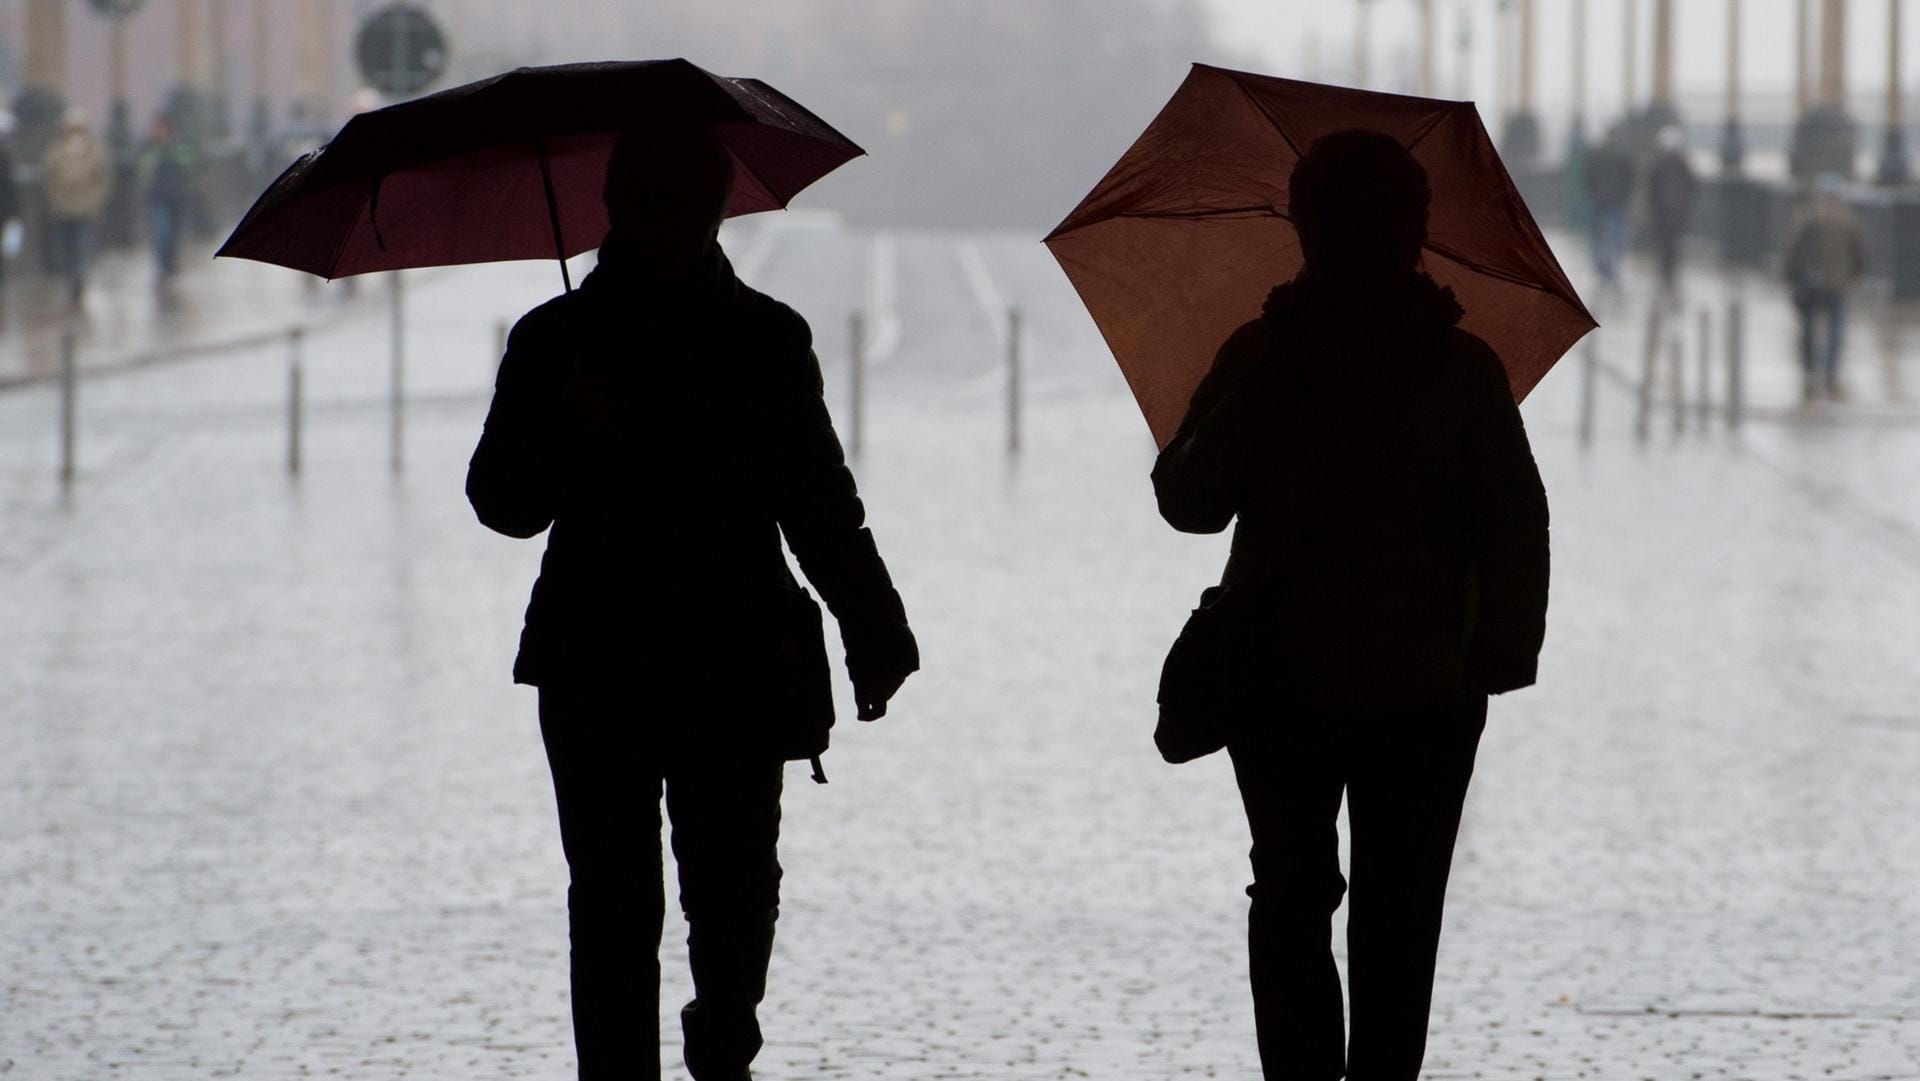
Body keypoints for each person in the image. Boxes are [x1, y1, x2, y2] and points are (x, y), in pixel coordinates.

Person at [466, 127, 919, 1081]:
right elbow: (506, 501)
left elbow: (818, 502)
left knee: (708, 893)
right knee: (654, 896)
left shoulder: (751, 336)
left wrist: (876, 624)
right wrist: (563, 424)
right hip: (674, 658)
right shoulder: (571, 343)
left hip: (653, 660)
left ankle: (719, 1049)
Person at [1151, 129, 1549, 1081]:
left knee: (1288, 896)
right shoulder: (1464, 370)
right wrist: (1498, 650)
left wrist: (1261, 386)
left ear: (1300, 225)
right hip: (1430, 688)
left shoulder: (1262, 352)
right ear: (1418, 230)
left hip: (1278, 676)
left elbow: (1188, 502)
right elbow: (1516, 525)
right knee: (1400, 916)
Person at [1783, 175, 1865, 402]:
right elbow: (1794, 253)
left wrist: (1855, 277)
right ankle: (1813, 374)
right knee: (1810, 334)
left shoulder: (1847, 223)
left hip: (1836, 285)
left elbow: (1858, 254)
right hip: (1814, 286)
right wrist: (1792, 278)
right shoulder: (1809, 223)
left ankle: (1828, 375)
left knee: (1835, 335)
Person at [41, 108, 113, 307]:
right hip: (62, 208)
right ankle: (70, 280)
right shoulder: (56, 149)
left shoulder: (94, 149)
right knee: (65, 249)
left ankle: (79, 281)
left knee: (82, 246)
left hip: (85, 208)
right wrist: (54, 199)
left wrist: (95, 200)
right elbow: (49, 176)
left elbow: (103, 177)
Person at [140, 114, 200, 300]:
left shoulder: (179, 146)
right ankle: (163, 268)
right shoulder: (150, 148)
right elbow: (142, 167)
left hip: (177, 197)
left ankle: (171, 265)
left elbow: (193, 161)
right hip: (158, 198)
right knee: (161, 233)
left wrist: (171, 152)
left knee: (174, 234)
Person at [1647, 124, 1697, 297]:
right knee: (1674, 242)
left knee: (1663, 241)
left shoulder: (1657, 163)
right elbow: (1692, 185)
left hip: (1662, 209)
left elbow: (1652, 188)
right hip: (1678, 209)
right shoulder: (1683, 162)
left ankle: (1665, 269)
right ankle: (1671, 270)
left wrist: (1651, 207)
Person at [1584, 123, 1635, 292]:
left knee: (1597, 234)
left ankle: (1601, 266)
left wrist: (1594, 192)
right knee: (1616, 235)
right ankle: (1613, 267)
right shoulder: (1623, 154)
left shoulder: (1597, 152)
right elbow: (1630, 178)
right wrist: (1624, 195)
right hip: (1617, 201)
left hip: (1598, 199)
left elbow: (1588, 175)